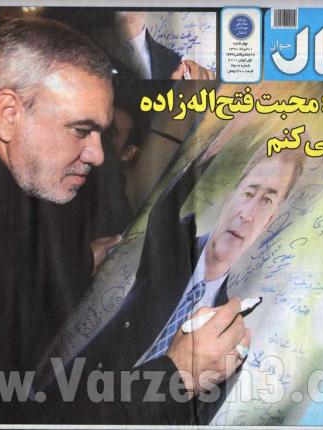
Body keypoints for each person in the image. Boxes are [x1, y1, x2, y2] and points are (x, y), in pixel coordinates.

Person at [0, 17, 234, 424]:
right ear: (7, 112)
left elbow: (13, 281)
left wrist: (79, 262)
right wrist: (175, 376)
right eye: (81, 130)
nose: (98, 154)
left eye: (102, 133)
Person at [65, 144, 306, 423]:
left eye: (266, 201)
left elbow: (196, 419)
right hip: (70, 404)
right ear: (231, 196)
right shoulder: (172, 250)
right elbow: (164, 209)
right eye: (249, 193)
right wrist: (213, 145)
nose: (247, 214)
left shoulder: (229, 336)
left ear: (270, 221)